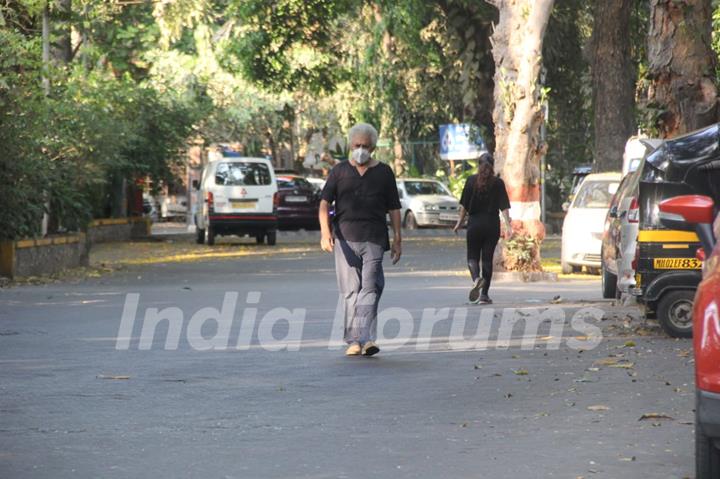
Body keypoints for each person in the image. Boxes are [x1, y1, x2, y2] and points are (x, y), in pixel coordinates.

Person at [319, 123, 402, 357]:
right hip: (345, 239)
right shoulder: (339, 171)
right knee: (350, 291)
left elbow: (394, 208)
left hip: (374, 238)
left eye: (365, 146)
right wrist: (325, 232)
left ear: (373, 147)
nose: (361, 150)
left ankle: (363, 338)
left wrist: (398, 239)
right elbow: (324, 203)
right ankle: (355, 341)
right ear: (350, 145)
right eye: (357, 145)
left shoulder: (384, 172)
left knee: (370, 289)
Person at [453, 153, 512, 304]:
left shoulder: (471, 181)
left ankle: (476, 279)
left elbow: (464, 206)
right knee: (487, 259)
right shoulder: (498, 183)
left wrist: (459, 222)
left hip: (474, 224)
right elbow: (504, 207)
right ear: (493, 166)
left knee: (472, 256)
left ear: (479, 165)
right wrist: (508, 226)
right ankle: (484, 295)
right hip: (492, 225)